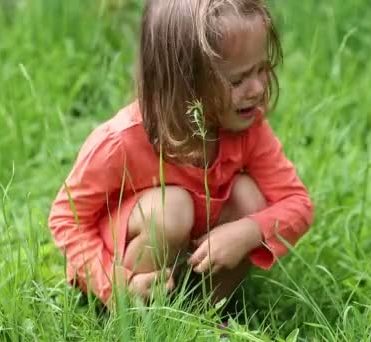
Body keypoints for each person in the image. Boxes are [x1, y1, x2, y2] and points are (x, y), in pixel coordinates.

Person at [48, 0, 314, 310]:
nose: (256, 89)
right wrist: (116, 283)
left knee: (248, 199)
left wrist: (249, 231)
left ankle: (207, 316)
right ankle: (137, 317)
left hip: (193, 260)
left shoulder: (249, 129)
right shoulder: (121, 141)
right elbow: (67, 218)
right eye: (238, 80)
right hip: (127, 273)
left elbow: (299, 204)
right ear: (182, 82)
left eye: (262, 70)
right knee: (171, 208)